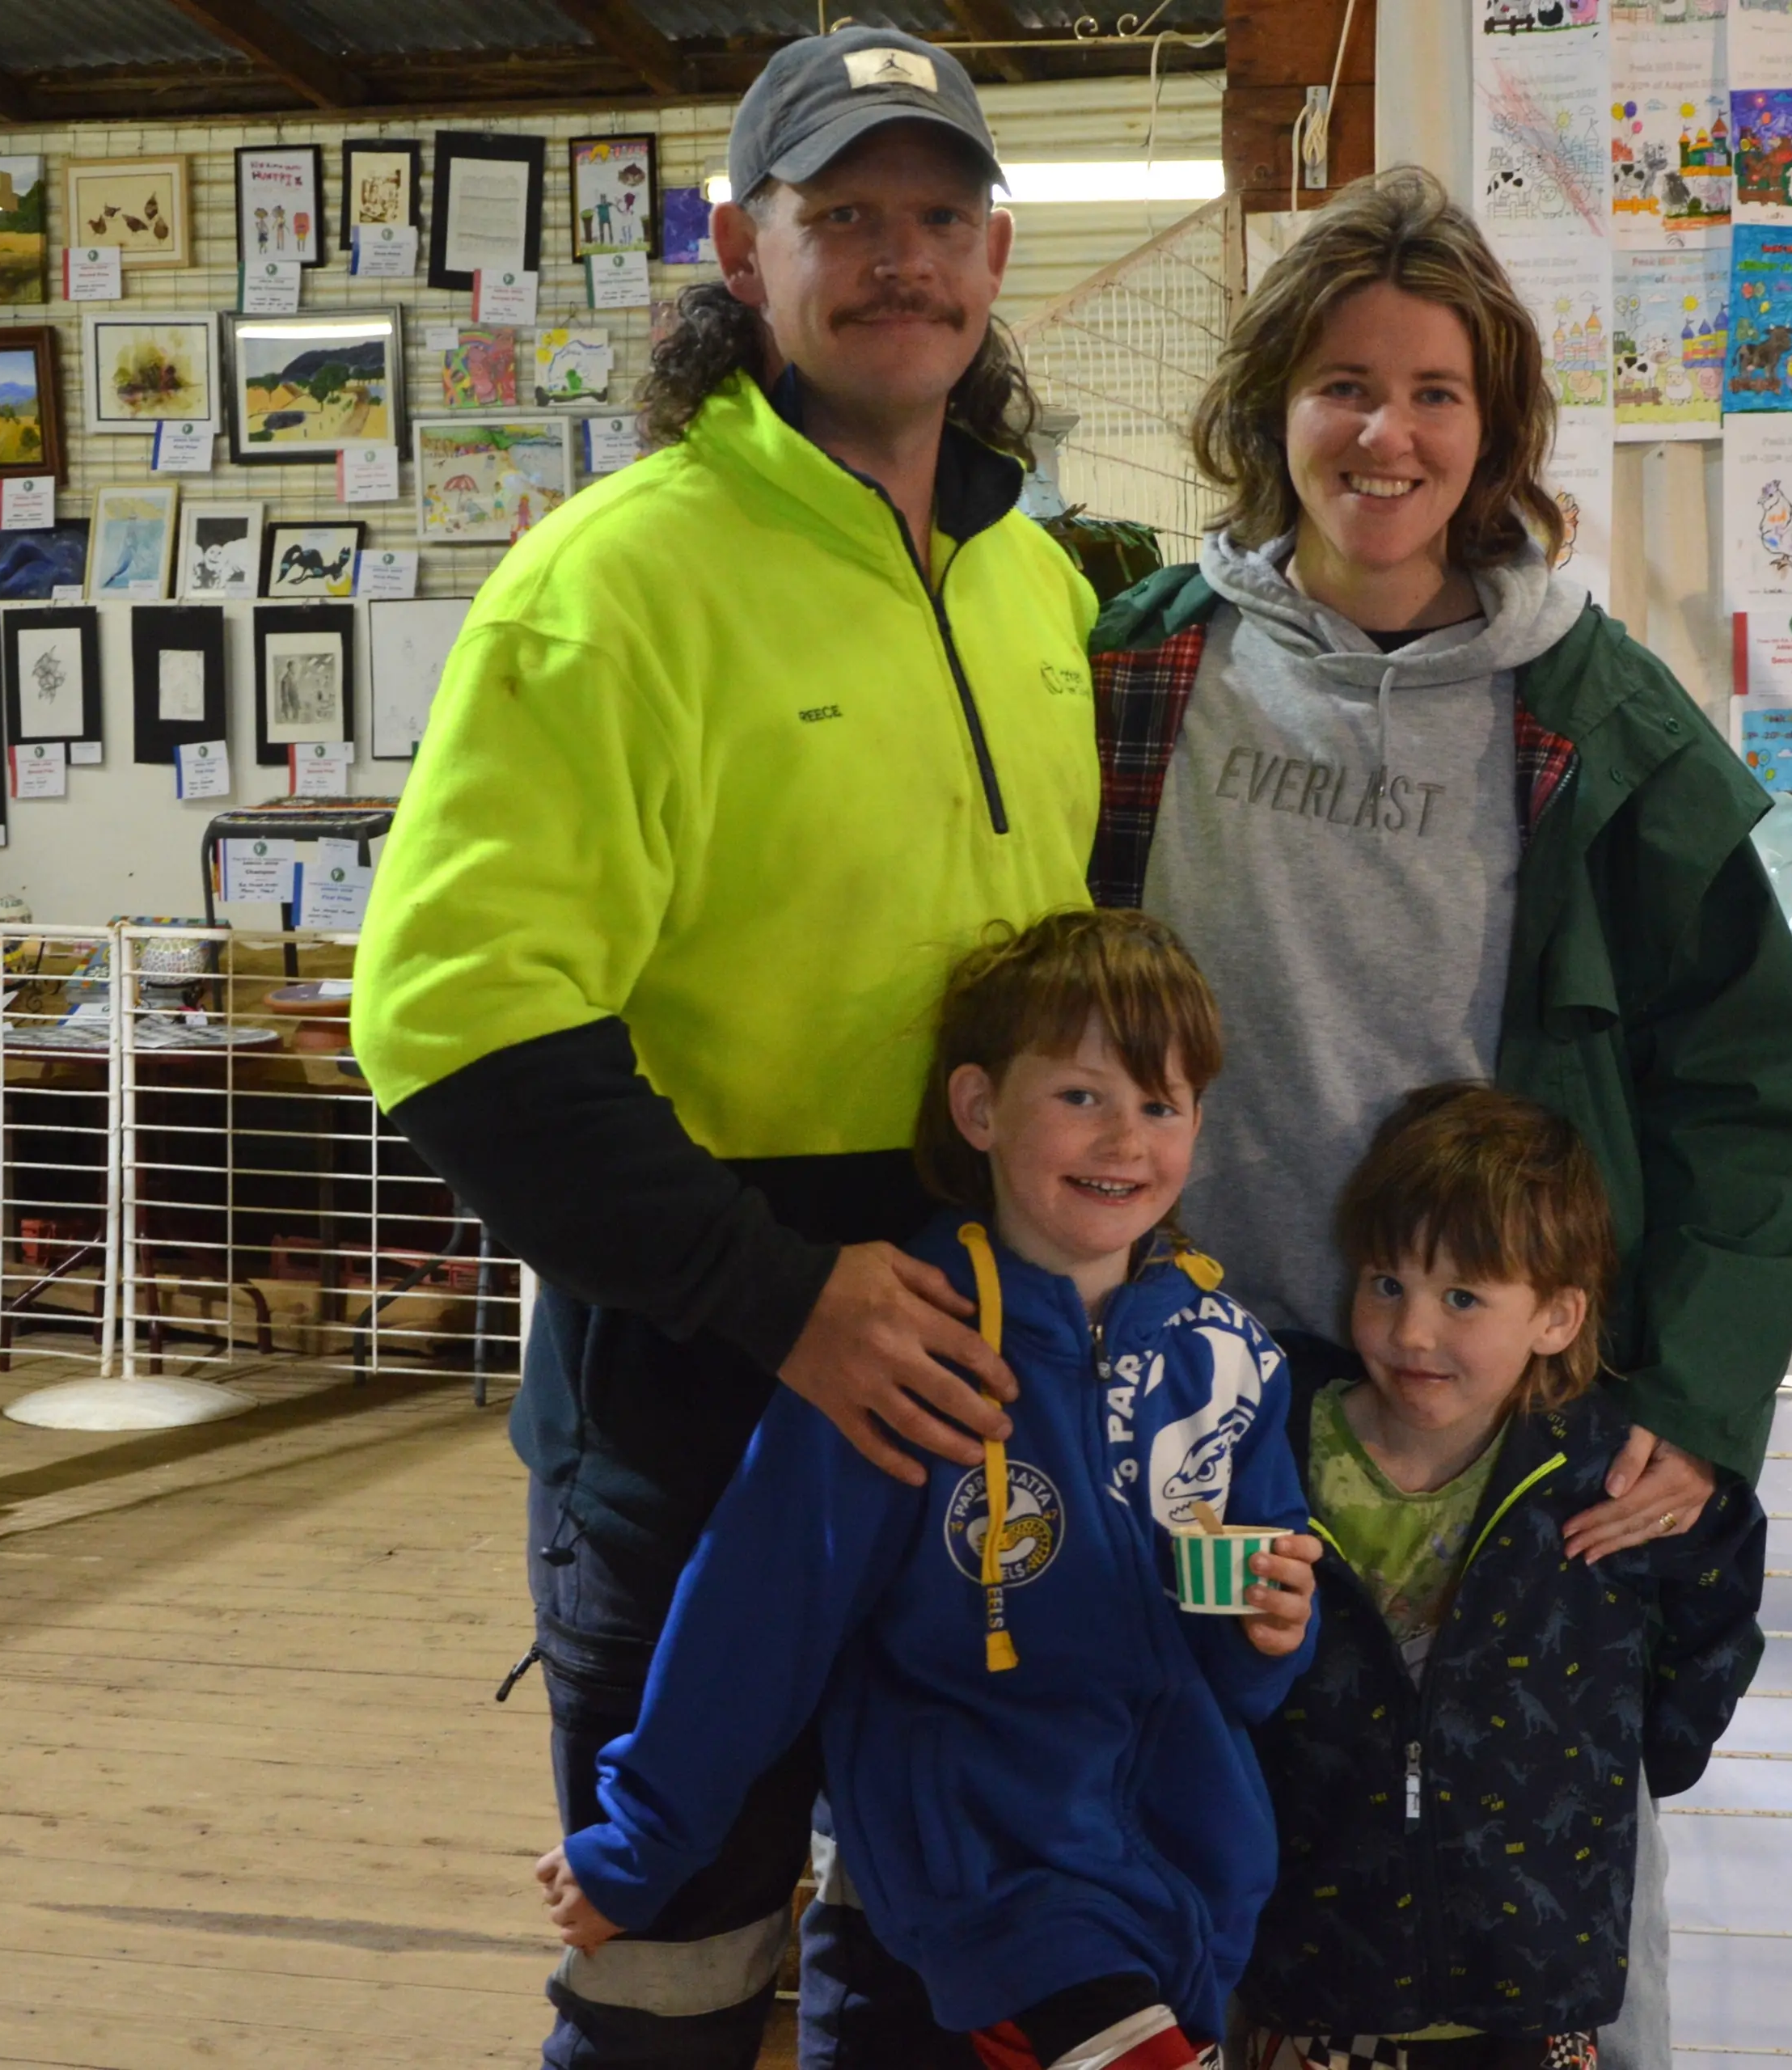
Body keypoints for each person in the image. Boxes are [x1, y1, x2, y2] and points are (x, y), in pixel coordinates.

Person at [352, 26, 1101, 2068]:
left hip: (978, 1408)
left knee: (943, 1950)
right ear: (733, 247)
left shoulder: (1034, 580)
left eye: (937, 216)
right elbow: (454, 1020)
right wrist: (778, 1302)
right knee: (675, 1963)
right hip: (700, 1415)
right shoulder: (613, 583)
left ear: (994, 252)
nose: (897, 262)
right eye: (839, 216)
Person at [1084, 169, 1792, 2064]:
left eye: (1433, 390)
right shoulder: (1139, 671)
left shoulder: (1592, 714)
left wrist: (1696, 1392)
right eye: (1342, 383)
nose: (1385, 430)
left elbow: (1750, 1084)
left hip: (1477, 1417)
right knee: (1195, 1844)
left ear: (1492, 428)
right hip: (1195, 1392)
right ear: (1271, 408)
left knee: (1519, 1892)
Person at [535, 908, 1320, 2070]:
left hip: (1187, 1897)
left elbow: (1243, 1677)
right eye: (1082, 1096)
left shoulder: (1228, 1355)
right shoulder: (907, 1344)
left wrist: (1272, 1630)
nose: (1125, 1139)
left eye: (1162, 1105)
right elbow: (760, 1608)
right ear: (979, 1108)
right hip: (982, 1887)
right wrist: (640, 1842)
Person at [1236, 1084, 1766, 2069]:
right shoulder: (1266, 1445)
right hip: (1307, 1998)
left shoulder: (1610, 1474)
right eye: (1385, 1283)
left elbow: (1715, 1615)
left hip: (1536, 2004)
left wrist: (1630, 1756)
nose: (1413, 1332)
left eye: (1463, 1296)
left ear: (1560, 1315)